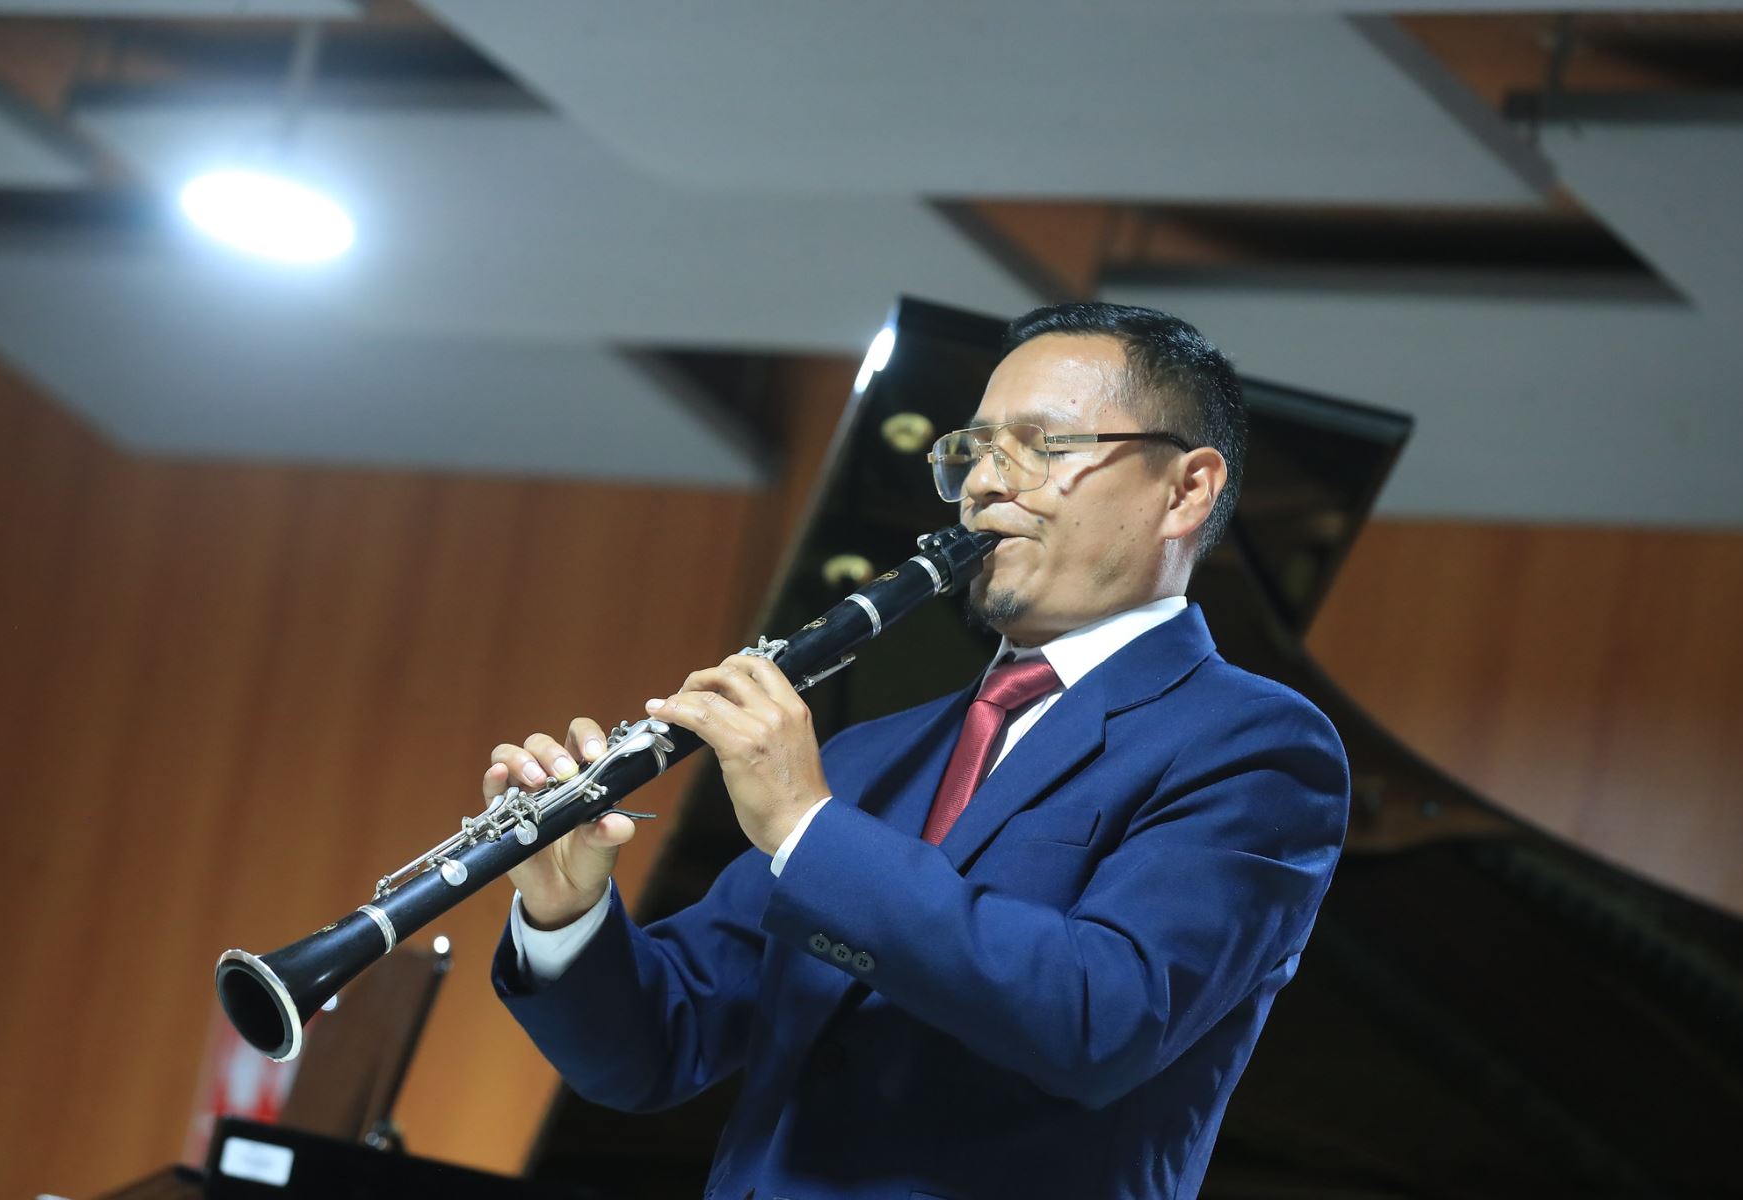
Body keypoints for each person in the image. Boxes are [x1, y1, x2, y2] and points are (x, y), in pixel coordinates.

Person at [485, 302, 1351, 1199]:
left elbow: (1104, 1019)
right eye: (973, 450)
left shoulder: (1254, 744)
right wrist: (567, 913)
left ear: (1186, 490)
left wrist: (805, 828)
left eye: (1041, 445)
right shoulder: (868, 756)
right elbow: (657, 1051)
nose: (983, 482)